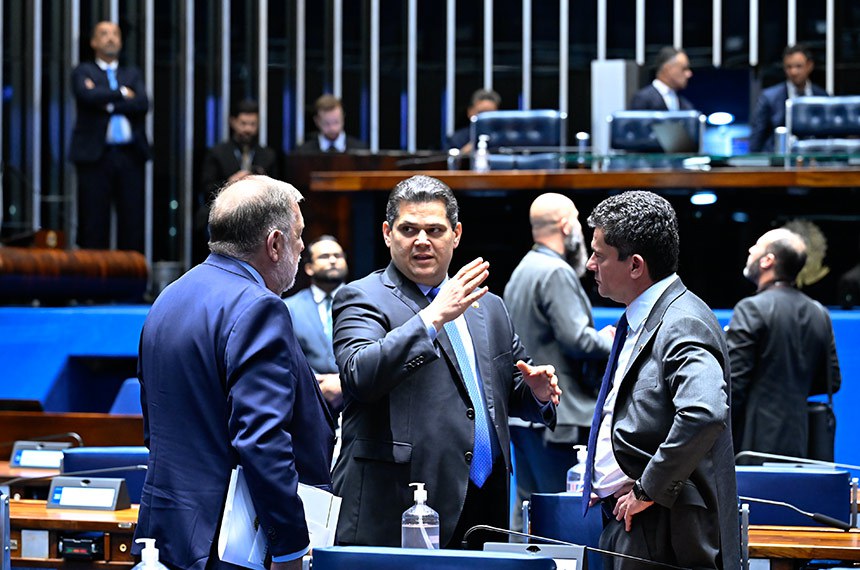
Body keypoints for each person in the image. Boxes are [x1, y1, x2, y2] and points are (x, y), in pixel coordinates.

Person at [331, 174, 561, 549]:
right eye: (409, 229)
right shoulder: (361, 297)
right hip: (401, 503)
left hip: (485, 502)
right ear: (387, 233)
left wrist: (535, 391)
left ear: (455, 235)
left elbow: (500, 392)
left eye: (435, 230)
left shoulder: (489, 306)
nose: (422, 240)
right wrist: (433, 316)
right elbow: (360, 375)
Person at [135, 175, 336, 570]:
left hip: (169, 535)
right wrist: (290, 547)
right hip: (233, 545)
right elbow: (262, 440)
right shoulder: (259, 307)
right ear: (274, 244)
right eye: (298, 236)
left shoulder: (169, 297)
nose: (302, 247)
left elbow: (154, 424)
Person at [582, 191, 738, 569]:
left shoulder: (682, 321)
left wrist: (647, 487)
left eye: (599, 255)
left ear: (635, 265)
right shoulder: (643, 317)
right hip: (634, 522)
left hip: (662, 532)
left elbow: (704, 412)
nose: (590, 264)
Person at [503, 193, 612, 531]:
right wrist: (613, 339)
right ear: (566, 225)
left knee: (528, 510)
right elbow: (577, 339)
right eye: (577, 219)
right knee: (560, 517)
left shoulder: (523, 269)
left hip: (525, 416)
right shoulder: (556, 272)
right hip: (558, 417)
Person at [727, 228, 841, 461]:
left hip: (751, 447)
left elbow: (732, 385)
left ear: (767, 260)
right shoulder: (819, 313)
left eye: (757, 245)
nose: (750, 249)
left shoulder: (751, 308)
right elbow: (832, 380)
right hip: (803, 445)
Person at [69, 21, 150, 252]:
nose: (111, 38)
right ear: (93, 42)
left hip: (130, 156)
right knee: (93, 222)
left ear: (121, 41)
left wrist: (106, 102)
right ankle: (92, 275)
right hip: (95, 156)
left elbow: (143, 103)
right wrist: (122, 93)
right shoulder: (83, 71)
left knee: (132, 221)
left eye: (115, 34)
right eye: (104, 34)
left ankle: (131, 274)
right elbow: (86, 96)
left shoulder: (132, 73)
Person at [284, 235, 348, 413]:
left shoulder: (365, 301)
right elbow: (286, 356)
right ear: (309, 268)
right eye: (324, 256)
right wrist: (318, 385)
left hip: (357, 403)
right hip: (308, 403)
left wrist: (344, 382)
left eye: (338, 256)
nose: (333, 260)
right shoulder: (289, 308)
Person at [199, 99, 279, 213]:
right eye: (243, 123)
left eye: (253, 124)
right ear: (233, 122)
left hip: (259, 213)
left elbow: (277, 191)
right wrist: (229, 183)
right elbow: (206, 189)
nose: (248, 129)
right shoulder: (217, 153)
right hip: (224, 212)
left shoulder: (268, 155)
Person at [749, 44, 828, 153]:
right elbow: (756, 140)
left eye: (798, 66)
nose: (793, 72)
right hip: (778, 158)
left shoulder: (822, 97)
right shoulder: (769, 98)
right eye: (789, 67)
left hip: (813, 158)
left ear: (809, 66)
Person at [629, 46, 694, 111]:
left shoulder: (685, 105)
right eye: (684, 69)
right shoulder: (643, 99)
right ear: (668, 69)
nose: (689, 74)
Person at [295, 94, 367, 153]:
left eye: (336, 122)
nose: (332, 128)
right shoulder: (304, 152)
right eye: (326, 124)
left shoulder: (360, 151)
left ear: (343, 118)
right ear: (317, 121)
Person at [447, 88, 501, 152]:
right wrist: (465, 152)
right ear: (470, 112)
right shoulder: (458, 138)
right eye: (481, 112)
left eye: (490, 113)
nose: (485, 118)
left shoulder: (503, 138)